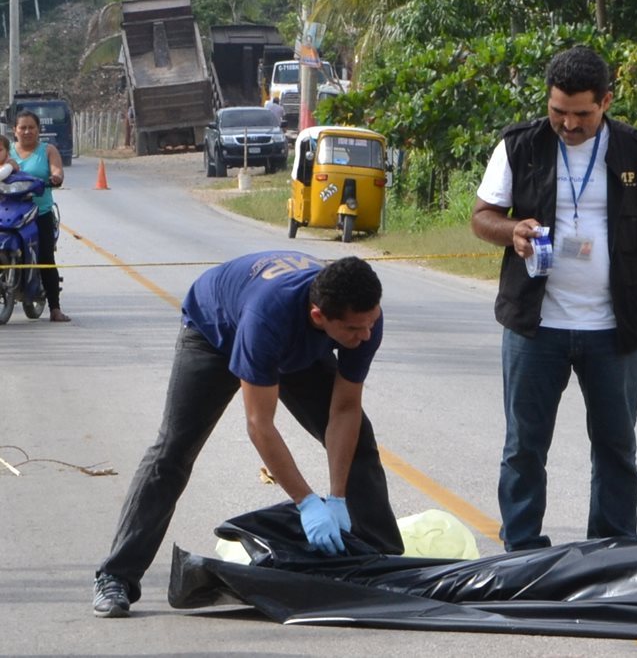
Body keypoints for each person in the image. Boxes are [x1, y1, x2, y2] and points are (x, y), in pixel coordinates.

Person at [92, 252, 406, 618]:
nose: (366, 335)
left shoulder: (364, 320)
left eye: (370, 324)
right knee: (172, 454)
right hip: (215, 334)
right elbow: (260, 424)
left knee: (361, 447)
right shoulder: (267, 318)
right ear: (319, 316)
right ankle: (116, 576)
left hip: (290, 345)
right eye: (354, 329)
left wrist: (337, 497)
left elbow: (345, 409)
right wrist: (307, 502)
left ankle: (381, 565)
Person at [471, 46, 637, 552]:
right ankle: (521, 551)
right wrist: (511, 231)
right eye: (557, 110)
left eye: (581, 114)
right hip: (535, 325)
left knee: (615, 448)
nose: (568, 123)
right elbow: (482, 216)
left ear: (606, 101)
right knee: (524, 447)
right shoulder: (518, 146)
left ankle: (608, 554)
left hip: (614, 328)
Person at [10, 110, 69, 322]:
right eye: (22, 127)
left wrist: (55, 177)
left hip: (39, 213)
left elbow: (57, 170)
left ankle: (55, 308)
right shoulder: (6, 150)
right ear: (14, 131)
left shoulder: (47, 150)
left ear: (38, 130)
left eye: (31, 127)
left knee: (45, 257)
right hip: (10, 212)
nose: (27, 131)